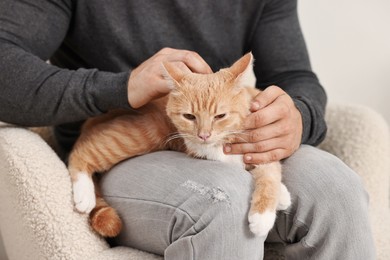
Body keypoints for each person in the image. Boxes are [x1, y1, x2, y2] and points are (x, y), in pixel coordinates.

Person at [0, 0, 375, 259]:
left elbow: (294, 77)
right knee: (220, 199)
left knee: (337, 188)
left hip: (227, 136)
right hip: (133, 149)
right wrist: (122, 88)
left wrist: (300, 115)